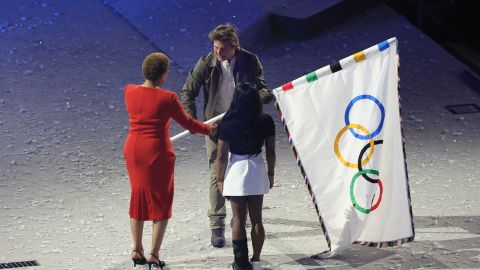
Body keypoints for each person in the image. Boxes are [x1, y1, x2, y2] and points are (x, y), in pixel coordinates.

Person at [181, 23, 274, 248]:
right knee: (218, 171)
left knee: (244, 168)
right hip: (216, 125)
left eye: (222, 49)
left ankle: (241, 217)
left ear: (234, 47)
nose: (217, 53)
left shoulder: (250, 61)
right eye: (215, 47)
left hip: (243, 123)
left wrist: (263, 95)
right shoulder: (207, 63)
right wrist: (195, 122)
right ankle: (217, 223)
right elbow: (187, 92)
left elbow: (261, 87)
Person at [124, 52, 216, 269]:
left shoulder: (129, 91)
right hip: (156, 154)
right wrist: (208, 128)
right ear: (163, 75)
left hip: (133, 151)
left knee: (138, 197)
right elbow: (188, 123)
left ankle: (137, 249)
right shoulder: (167, 98)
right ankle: (154, 254)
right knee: (161, 203)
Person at [216, 83, 276, 270]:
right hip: (256, 168)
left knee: (238, 219)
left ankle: (241, 263)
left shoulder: (228, 122)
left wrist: (219, 179)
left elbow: (220, 156)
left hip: (237, 170)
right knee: (257, 219)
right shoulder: (265, 120)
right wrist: (271, 173)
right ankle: (256, 260)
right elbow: (271, 151)